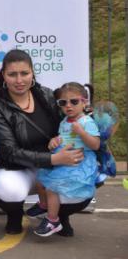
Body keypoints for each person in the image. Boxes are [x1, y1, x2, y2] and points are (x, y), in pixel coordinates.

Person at [0, 49, 89, 237]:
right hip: (19, 169)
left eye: (24, 73)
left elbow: (69, 126)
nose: (19, 80)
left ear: (32, 73)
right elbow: (9, 152)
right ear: (4, 76)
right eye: (12, 74)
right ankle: (15, 216)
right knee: (8, 190)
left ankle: (60, 218)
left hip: (54, 167)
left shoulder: (49, 96)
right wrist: (54, 158)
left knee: (82, 187)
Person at [35, 82, 100, 237]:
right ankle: (44, 205)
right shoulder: (64, 121)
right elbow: (62, 138)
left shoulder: (86, 122)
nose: (68, 106)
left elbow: (96, 144)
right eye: (63, 103)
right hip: (63, 159)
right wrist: (54, 142)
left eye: (74, 101)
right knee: (40, 180)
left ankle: (53, 220)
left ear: (84, 102)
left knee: (52, 188)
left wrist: (82, 133)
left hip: (79, 163)